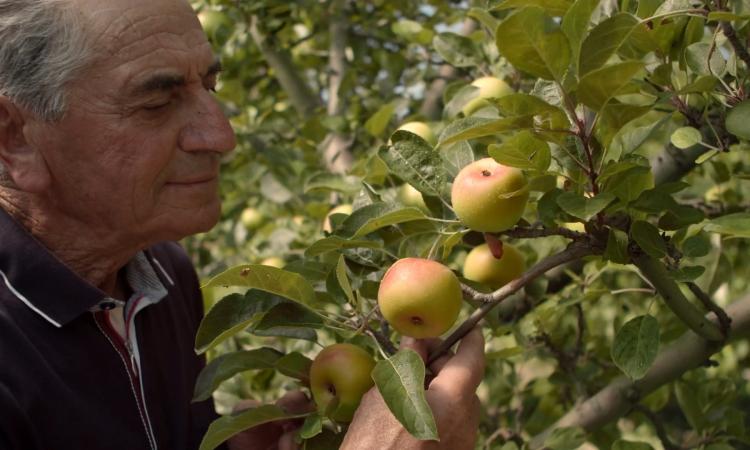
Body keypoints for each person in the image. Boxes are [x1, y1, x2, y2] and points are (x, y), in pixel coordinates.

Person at [0, 0, 485, 449]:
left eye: (210, 86)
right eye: (156, 104)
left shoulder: (160, 274)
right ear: (15, 137)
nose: (221, 136)